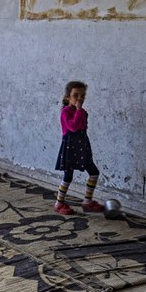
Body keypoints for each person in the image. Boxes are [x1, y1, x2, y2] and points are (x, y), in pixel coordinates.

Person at [53, 80, 105, 215]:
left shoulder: (81, 112)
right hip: (70, 147)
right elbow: (73, 127)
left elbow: (83, 128)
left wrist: (80, 111)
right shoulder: (66, 112)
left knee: (94, 172)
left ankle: (87, 202)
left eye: (82, 96)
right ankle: (59, 203)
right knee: (68, 176)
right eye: (76, 95)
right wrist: (79, 111)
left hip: (82, 146)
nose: (79, 99)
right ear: (67, 97)